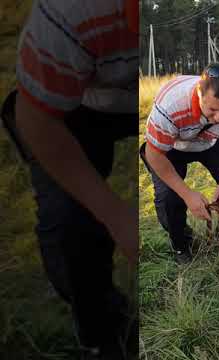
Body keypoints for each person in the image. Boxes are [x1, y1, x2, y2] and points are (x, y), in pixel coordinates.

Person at [1, 0, 139, 358]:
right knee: (68, 233)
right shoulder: (67, 11)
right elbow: (36, 120)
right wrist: (117, 217)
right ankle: (108, 331)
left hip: (150, 103)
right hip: (76, 107)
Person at [140, 62, 219, 264]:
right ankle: (181, 243)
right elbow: (154, 155)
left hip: (210, 141)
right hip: (171, 146)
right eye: (212, 109)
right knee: (169, 197)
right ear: (198, 93)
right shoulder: (171, 105)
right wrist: (187, 195)